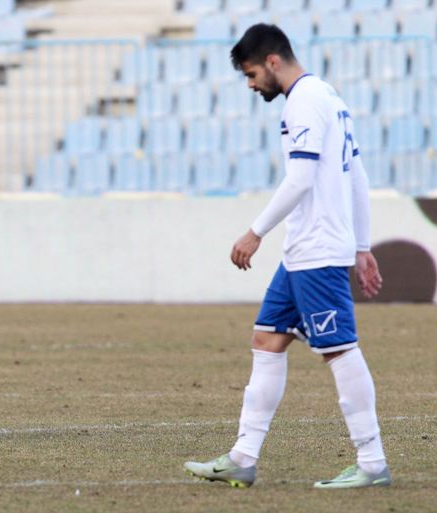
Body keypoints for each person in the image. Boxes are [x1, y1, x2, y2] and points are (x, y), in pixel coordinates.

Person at [183, 24, 390, 489]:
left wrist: (254, 233)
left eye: (252, 73)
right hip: (304, 251)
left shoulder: (304, 101)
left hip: (316, 250)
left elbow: (299, 180)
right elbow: (356, 175)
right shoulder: (330, 98)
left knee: (338, 348)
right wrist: (360, 245)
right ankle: (242, 457)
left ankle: (373, 462)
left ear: (273, 62)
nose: (251, 84)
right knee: (267, 339)